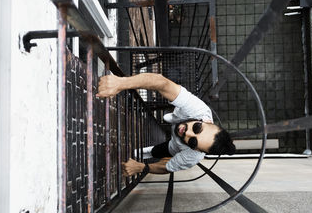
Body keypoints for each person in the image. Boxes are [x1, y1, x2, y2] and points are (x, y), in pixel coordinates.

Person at [97, 73, 235, 176]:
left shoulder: (193, 157)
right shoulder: (199, 110)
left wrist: (141, 168)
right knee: (170, 119)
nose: (188, 133)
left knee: (158, 151)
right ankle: (144, 148)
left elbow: (167, 166)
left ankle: (141, 153)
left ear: (197, 150)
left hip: (174, 146)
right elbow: (162, 83)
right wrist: (120, 83)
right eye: (197, 128)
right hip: (177, 118)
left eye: (193, 142)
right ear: (206, 121)